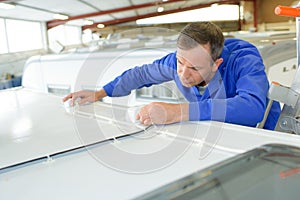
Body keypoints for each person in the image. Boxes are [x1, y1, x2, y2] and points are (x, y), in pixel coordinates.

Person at [63, 21, 281, 130]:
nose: (183, 75)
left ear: (217, 64)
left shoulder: (244, 58)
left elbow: (252, 108)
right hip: (217, 130)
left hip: (262, 134)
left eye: (195, 68)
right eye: (180, 62)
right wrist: (101, 92)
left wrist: (177, 112)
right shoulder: (176, 63)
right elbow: (139, 75)